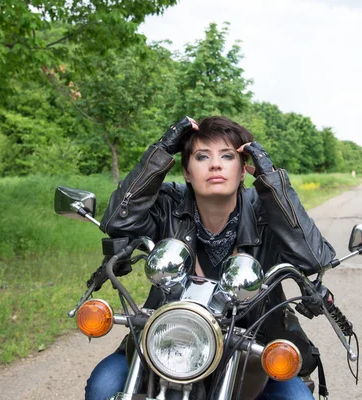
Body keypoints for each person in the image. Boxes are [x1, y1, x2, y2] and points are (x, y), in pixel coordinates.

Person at [86, 116, 336, 400]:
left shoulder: (269, 212)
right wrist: (163, 148)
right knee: (103, 386)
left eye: (228, 156)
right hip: (170, 341)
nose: (215, 164)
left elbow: (314, 258)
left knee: (297, 399)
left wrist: (270, 178)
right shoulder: (168, 204)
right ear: (188, 172)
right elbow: (117, 221)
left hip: (252, 346)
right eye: (202, 156)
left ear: (243, 170)